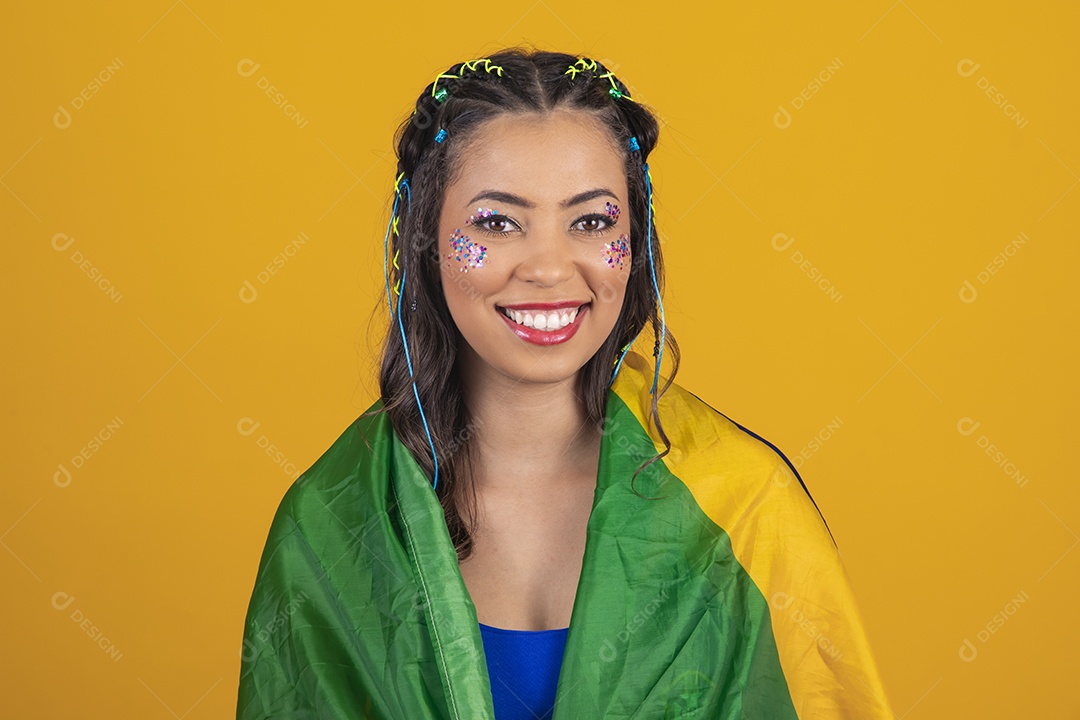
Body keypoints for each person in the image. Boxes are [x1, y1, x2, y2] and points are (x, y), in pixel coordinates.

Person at [236, 48, 893, 720]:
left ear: (636, 239)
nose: (549, 268)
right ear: (425, 241)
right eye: (497, 222)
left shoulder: (743, 510)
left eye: (592, 221)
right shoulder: (331, 525)